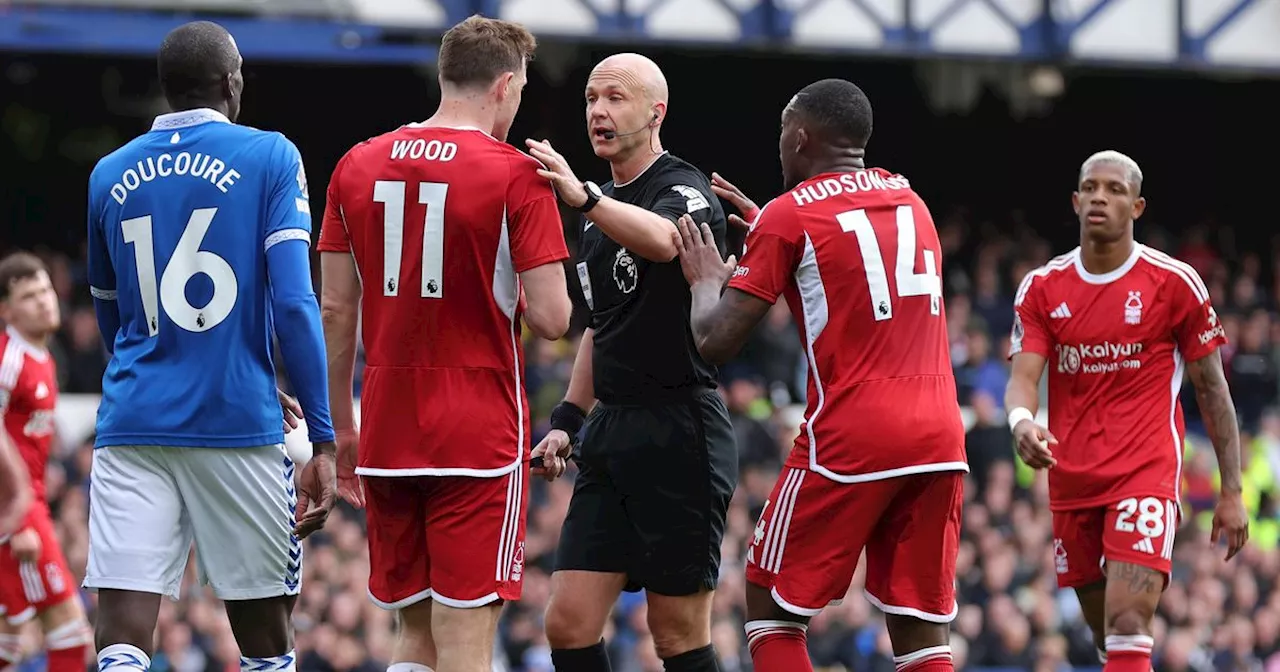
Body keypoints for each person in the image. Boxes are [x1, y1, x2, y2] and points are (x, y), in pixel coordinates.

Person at [673, 78, 967, 672]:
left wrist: (706, 281)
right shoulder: (909, 200)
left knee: (769, 606)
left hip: (852, 436)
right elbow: (849, 270)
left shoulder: (791, 216)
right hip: (939, 439)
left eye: (783, 133)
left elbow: (715, 341)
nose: (780, 146)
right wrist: (770, 237)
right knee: (920, 629)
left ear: (800, 135)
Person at [317, 15, 571, 672]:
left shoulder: (356, 163)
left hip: (387, 425)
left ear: (443, 75)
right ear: (506, 86)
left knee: (413, 632)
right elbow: (551, 317)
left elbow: (336, 309)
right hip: (476, 431)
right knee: (465, 639)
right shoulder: (518, 175)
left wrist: (341, 428)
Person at [84, 20, 337, 672]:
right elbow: (293, 303)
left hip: (133, 418)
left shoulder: (107, 174)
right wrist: (325, 435)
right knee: (265, 641)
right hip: (234, 420)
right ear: (231, 82)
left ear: (168, 88)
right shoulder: (271, 155)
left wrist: (163, 365)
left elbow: (113, 319)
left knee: (121, 636)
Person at [526, 52, 736, 672]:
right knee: (566, 623)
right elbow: (599, 329)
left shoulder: (683, 188)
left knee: (675, 634)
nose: (598, 111)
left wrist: (585, 198)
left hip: (680, 428)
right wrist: (567, 419)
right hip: (612, 432)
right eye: (591, 99)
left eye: (616, 99)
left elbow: (669, 241)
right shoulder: (599, 225)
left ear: (656, 112)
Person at [1004, 150, 1249, 672]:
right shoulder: (1043, 288)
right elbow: (1023, 379)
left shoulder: (1174, 283)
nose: (1100, 196)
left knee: (1129, 621)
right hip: (1071, 479)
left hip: (1145, 472)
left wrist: (1231, 490)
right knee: (1105, 635)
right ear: (1075, 201)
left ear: (1137, 207)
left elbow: (1212, 388)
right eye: (1090, 187)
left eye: (1115, 189)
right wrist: (1021, 422)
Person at [0, 253, 94, 672]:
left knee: (8, 639)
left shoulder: (44, 357)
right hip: (17, 512)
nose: (44, 300)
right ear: (7, 310)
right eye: (28, 295)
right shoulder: (9, 359)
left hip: (30, 505)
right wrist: (17, 516)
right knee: (70, 635)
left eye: (45, 290)